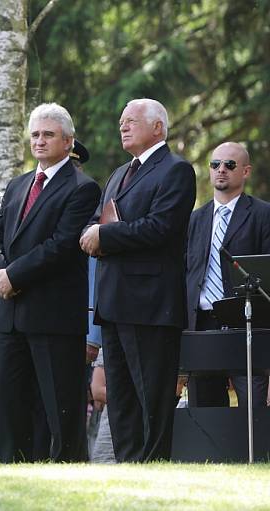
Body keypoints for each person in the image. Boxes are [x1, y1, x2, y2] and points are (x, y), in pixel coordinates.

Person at [80, 98, 196, 462]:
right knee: (122, 396)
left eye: (131, 121)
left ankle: (154, 465)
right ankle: (128, 465)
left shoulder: (176, 170)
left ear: (158, 127)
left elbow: (161, 228)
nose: (123, 127)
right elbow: (103, 219)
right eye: (121, 122)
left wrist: (105, 237)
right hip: (114, 300)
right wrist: (91, 232)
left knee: (152, 396)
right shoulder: (118, 173)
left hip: (149, 302)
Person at [0, 103, 101, 463]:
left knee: (59, 407)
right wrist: (1, 272)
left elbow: (63, 245)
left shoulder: (82, 188)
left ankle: (66, 473)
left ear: (68, 141)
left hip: (52, 314)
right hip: (10, 314)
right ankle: (11, 473)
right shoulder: (19, 184)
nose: (39, 141)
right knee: (8, 405)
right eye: (35, 134)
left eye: (48, 134)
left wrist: (14, 276)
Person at [185, 142, 270, 407]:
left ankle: (255, 452)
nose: (221, 170)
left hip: (245, 322)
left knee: (252, 410)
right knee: (206, 411)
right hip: (202, 325)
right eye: (215, 164)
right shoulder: (194, 219)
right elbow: (186, 272)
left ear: (245, 171)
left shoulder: (262, 214)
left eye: (229, 165)